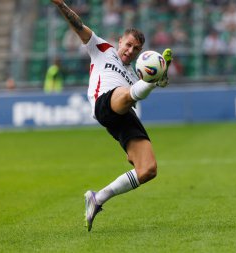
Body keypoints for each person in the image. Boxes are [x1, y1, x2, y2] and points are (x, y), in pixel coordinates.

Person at [51, 0, 172, 232]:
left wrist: (160, 77)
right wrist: (60, 4)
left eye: (136, 49)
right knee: (128, 94)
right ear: (120, 41)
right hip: (104, 103)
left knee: (148, 169)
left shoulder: (135, 76)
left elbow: (152, 86)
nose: (130, 51)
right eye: (128, 45)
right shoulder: (102, 48)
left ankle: (97, 198)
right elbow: (78, 25)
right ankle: (145, 85)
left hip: (124, 113)